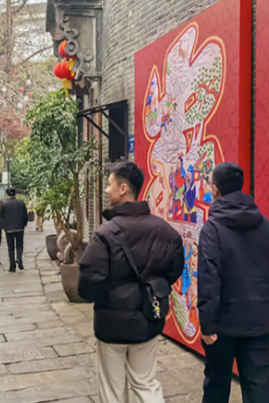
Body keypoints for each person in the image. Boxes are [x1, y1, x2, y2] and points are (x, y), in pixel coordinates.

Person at [78, 162, 184, 403]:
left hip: (111, 322)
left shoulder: (105, 233)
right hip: (149, 316)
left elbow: (88, 281)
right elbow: (174, 271)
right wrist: (153, 287)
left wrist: (107, 296)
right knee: (145, 382)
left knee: (112, 387)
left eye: (109, 185)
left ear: (123, 188)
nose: (106, 190)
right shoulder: (166, 232)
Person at [197, 161, 269, 403]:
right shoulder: (265, 225)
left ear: (215, 189)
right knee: (258, 391)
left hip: (222, 328)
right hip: (258, 325)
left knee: (216, 388)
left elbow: (208, 278)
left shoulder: (212, 228)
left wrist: (207, 324)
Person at [0, 186, 28, 272]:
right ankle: (19, 258)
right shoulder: (21, 203)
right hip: (19, 227)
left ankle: (12, 266)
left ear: (7, 194)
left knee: (10, 247)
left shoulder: (4, 204)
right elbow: (25, 215)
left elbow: (1, 216)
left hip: (8, 229)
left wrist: (4, 226)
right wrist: (24, 224)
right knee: (19, 245)